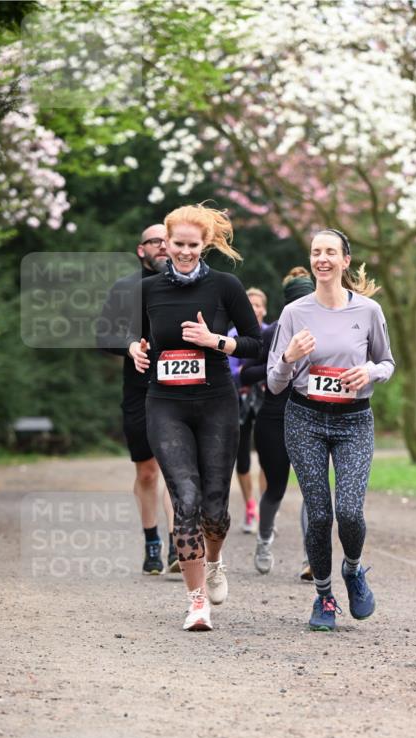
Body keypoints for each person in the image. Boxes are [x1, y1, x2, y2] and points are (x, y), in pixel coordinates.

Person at [127, 205, 261, 631]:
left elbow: (257, 344)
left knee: (215, 508)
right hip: (165, 402)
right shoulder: (147, 289)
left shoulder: (226, 286)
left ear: (206, 245)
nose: (184, 253)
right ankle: (196, 601)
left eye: (192, 245)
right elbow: (132, 334)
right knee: (184, 498)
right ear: (165, 244)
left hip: (216, 401)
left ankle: (215, 561)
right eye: (177, 245)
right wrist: (135, 348)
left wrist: (216, 341)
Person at [267, 229, 395, 631]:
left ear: (344, 261)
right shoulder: (294, 314)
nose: (322, 259)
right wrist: (289, 356)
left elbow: (388, 363)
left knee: (350, 512)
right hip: (304, 416)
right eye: (316, 252)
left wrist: (369, 371)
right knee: (320, 515)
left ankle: (353, 570)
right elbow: (274, 381)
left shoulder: (369, 311)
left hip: (354, 420)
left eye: (330, 252)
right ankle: (323, 596)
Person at [97, 224, 177, 575]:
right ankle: (152, 542)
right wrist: (129, 346)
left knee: (177, 468)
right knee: (147, 472)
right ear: (140, 249)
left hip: (179, 390)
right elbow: (103, 334)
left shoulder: (187, 287)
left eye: (166, 240)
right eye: (154, 241)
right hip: (139, 389)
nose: (162, 246)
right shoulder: (125, 288)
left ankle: (179, 544)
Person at [240, 268, 315, 575]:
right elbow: (246, 373)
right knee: (276, 488)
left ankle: (313, 556)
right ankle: (264, 539)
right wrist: (282, 360)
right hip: (274, 417)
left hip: (313, 415)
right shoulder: (272, 333)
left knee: (314, 489)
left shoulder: (329, 328)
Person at [228, 287, 268, 533]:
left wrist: (247, 373)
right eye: (249, 304)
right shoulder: (232, 335)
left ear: (264, 309)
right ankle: (250, 507)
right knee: (241, 458)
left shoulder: (271, 332)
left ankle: (266, 510)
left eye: (258, 304)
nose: (253, 308)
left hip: (265, 400)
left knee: (267, 456)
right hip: (239, 402)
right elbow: (231, 372)